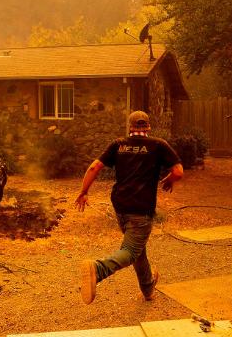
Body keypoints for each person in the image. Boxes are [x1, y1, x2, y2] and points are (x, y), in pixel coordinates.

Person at [74, 111, 184, 304]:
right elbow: (178, 171)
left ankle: (148, 287)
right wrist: (170, 179)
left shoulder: (118, 144)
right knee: (131, 251)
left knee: (137, 248)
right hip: (141, 208)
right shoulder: (158, 145)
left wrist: (84, 192)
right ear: (148, 127)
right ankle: (98, 269)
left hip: (120, 206)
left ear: (130, 127)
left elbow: (94, 167)